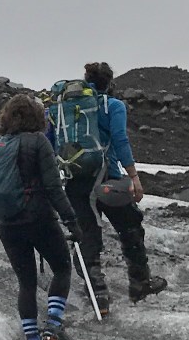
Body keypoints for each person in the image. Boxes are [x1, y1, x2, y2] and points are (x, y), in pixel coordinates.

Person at [59, 61, 166, 310]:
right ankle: (140, 283)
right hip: (108, 179)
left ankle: (98, 296)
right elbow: (120, 140)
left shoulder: (66, 110)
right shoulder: (113, 106)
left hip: (76, 181)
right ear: (109, 83)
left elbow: (55, 142)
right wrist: (134, 177)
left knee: (86, 234)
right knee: (130, 226)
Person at [0, 93, 83, 340]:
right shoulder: (38, 141)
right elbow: (53, 187)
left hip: (7, 223)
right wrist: (71, 220)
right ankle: (52, 325)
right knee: (62, 267)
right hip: (38, 218)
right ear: (37, 118)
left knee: (26, 282)